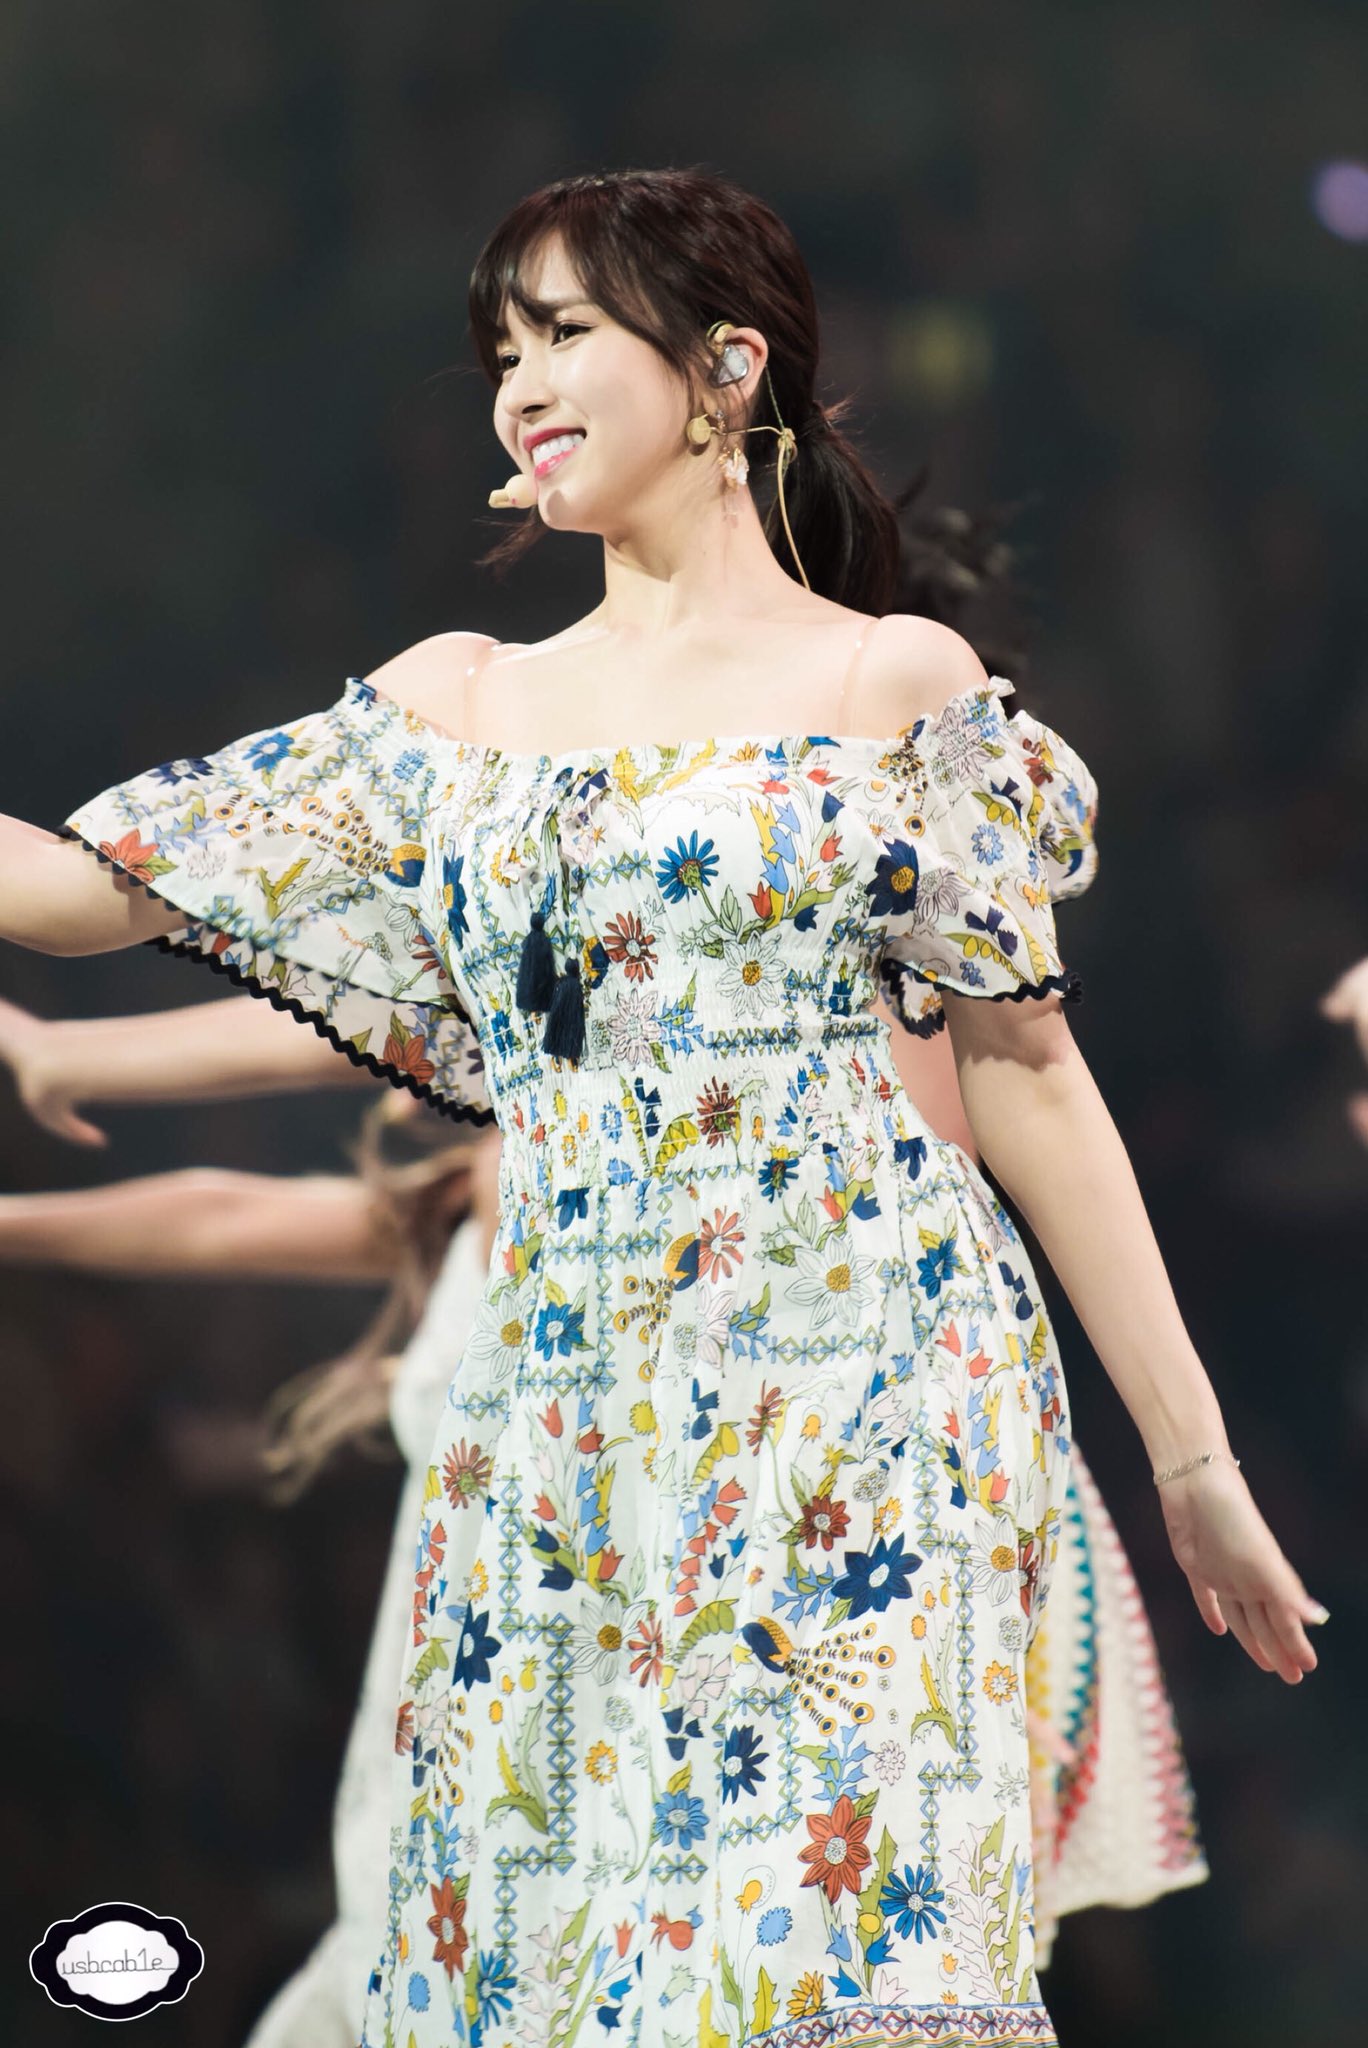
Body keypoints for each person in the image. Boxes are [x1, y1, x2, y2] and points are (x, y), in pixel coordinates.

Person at [0, 166, 1324, 2045]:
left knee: (845, 1962)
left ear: (725, 368)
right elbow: (76, 894)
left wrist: (1193, 1467)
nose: (516, 388)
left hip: (870, 1404)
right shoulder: (456, 708)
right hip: (566, 1423)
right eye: (498, 353)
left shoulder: (889, 680)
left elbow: (1027, 1077)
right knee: (546, 1963)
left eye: (560, 335)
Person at [0, 983, 1208, 1996]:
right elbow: (225, 1202)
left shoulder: (717, 1191)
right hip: (469, 1713)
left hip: (629, 1717)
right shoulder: (486, 1186)